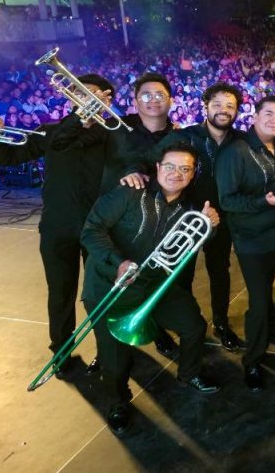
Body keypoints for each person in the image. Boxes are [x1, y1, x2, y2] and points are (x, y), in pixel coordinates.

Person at [80, 142, 222, 435]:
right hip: (110, 285)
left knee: (193, 326)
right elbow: (92, 230)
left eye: (185, 169)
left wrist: (211, 226)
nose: (176, 173)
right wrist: (118, 263)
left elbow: (195, 242)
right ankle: (117, 402)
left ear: (192, 174)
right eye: (170, 166)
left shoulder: (191, 208)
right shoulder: (130, 192)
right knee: (114, 356)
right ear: (157, 167)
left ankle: (189, 374)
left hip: (153, 284)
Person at [0, 73, 113, 377]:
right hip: (58, 227)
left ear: (106, 99)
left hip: (100, 228)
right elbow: (10, 157)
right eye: (79, 92)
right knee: (60, 294)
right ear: (70, 97)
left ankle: (108, 351)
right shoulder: (51, 131)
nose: (85, 99)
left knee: (101, 293)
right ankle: (61, 351)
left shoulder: (112, 135)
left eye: (92, 94)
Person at [53, 71, 180, 358]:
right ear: (135, 100)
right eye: (146, 95)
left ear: (171, 100)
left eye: (159, 95)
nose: (152, 100)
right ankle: (106, 352)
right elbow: (63, 143)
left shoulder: (177, 134)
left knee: (154, 281)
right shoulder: (113, 127)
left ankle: (156, 331)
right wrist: (83, 115)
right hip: (114, 223)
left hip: (155, 222)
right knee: (110, 287)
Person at [120, 82, 246, 352]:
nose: (223, 110)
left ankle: (221, 323)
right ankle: (174, 327)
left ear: (237, 111)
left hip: (220, 218)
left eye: (230, 106)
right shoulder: (185, 136)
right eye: (217, 104)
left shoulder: (241, 140)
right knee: (178, 276)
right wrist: (133, 170)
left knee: (220, 272)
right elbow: (147, 158)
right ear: (206, 106)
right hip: (182, 219)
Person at [216, 96, 275, 392]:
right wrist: (262, 202)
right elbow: (227, 201)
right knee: (259, 302)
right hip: (254, 240)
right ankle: (253, 359)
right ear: (254, 116)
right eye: (268, 114)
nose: (274, 120)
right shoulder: (235, 151)